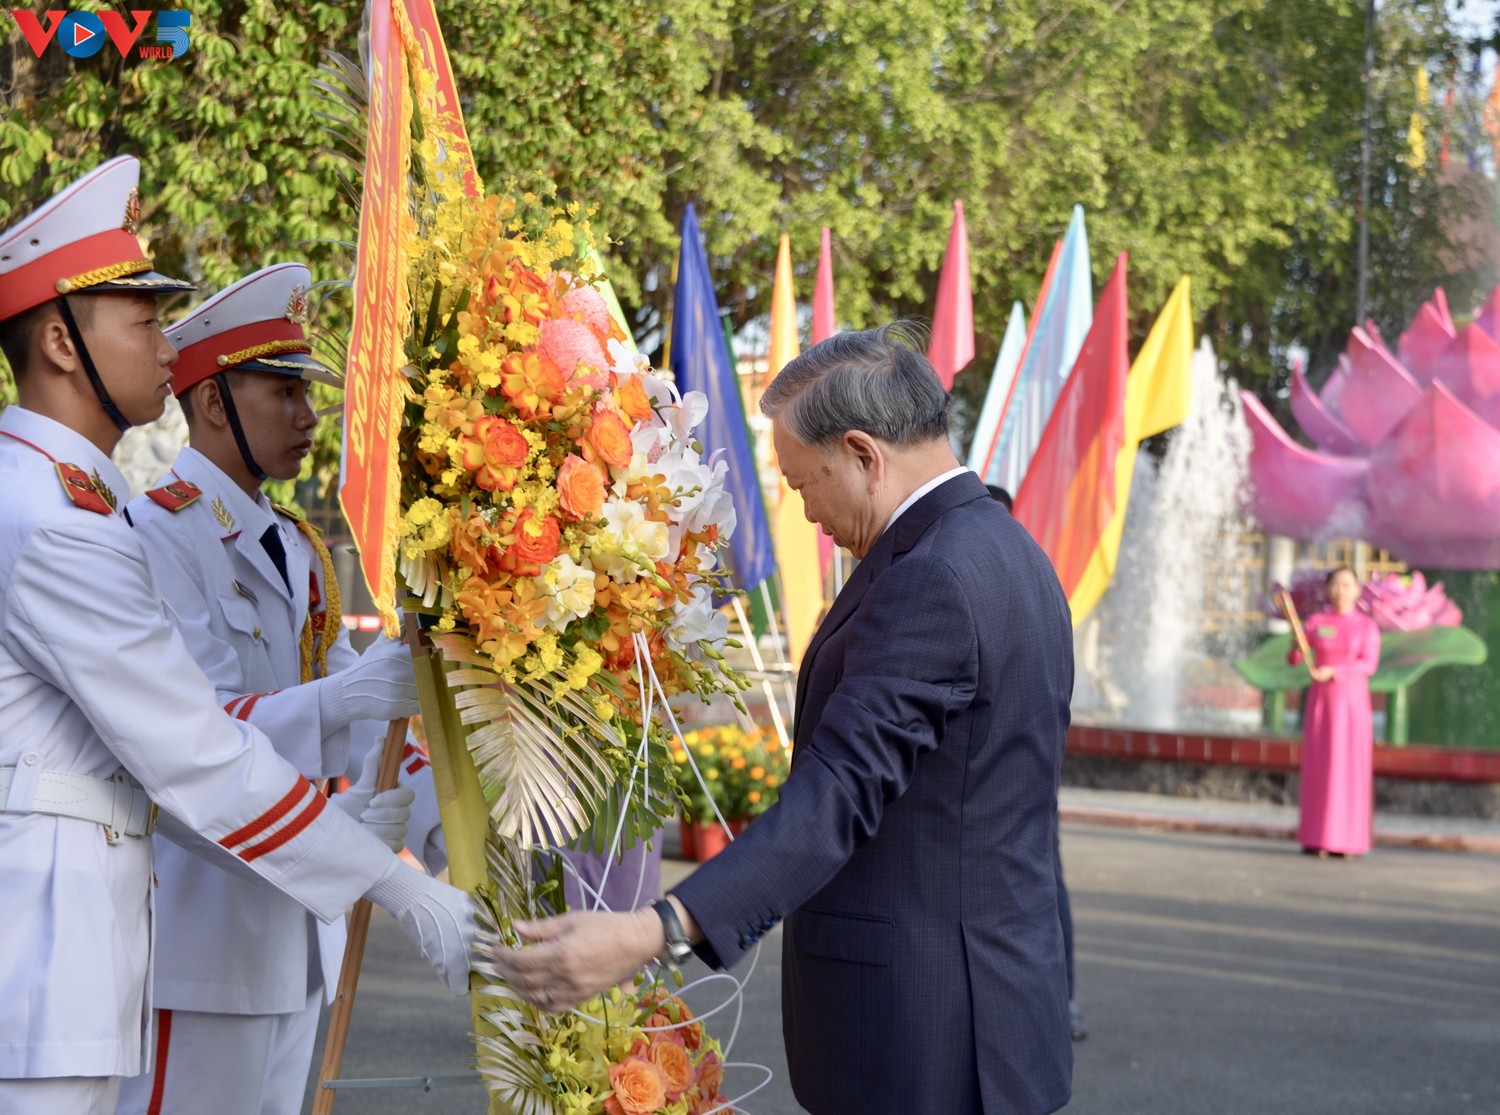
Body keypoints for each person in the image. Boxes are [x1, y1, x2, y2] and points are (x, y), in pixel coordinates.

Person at [490, 325, 1075, 1114]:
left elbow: (839, 793)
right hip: (998, 1009)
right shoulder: (1011, 550)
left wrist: (658, 928)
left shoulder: (930, 576)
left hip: (923, 1033)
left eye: (805, 484)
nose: (806, 513)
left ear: (864, 454)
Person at [0, 157, 474, 1115]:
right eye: (143, 320)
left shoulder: (69, 503)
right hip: (52, 948)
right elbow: (194, 749)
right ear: (59, 341)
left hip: (83, 948)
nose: (166, 345)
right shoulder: (56, 521)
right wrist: (395, 882)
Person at [114, 263, 449, 1115]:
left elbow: (372, 717)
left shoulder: (297, 546)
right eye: (285, 392)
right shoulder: (158, 534)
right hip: (200, 938)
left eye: (308, 393)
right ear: (213, 401)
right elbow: (203, 730)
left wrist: (446, 837)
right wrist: (349, 699)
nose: (308, 416)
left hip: (300, 934)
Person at [986, 483, 1086, 1043]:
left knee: (1043, 881)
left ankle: (1061, 997)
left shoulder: (1033, 588)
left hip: (1025, 773)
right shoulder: (964, 583)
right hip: (983, 780)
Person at [1287, 566, 1380, 857]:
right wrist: (1297, 645)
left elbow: (1368, 664)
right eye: (1336, 585)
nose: (1341, 591)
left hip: (1351, 703)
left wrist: (1335, 672)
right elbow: (1295, 658)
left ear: (1357, 590)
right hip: (1322, 704)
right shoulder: (1317, 622)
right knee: (1320, 765)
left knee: (1349, 767)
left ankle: (1349, 841)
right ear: (1327, 589)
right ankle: (1315, 837)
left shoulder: (1366, 626)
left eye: (1347, 585)